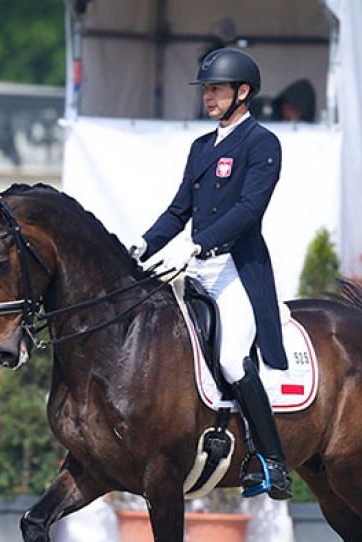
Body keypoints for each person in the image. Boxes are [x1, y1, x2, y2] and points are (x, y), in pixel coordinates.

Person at [129, 47, 292, 500]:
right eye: (206, 89)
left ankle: (273, 462)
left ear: (243, 92)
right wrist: (144, 244)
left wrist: (198, 243)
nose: (209, 97)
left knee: (230, 359)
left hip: (237, 269)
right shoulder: (201, 147)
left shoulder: (262, 144)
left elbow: (248, 210)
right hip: (197, 270)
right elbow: (179, 209)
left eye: (216, 89)